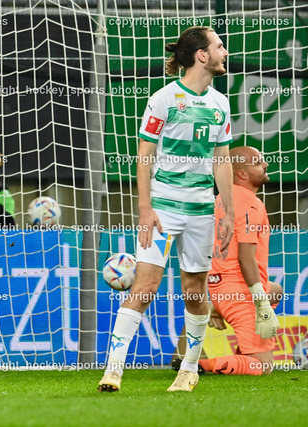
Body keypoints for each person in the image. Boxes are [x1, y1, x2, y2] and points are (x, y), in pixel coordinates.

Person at [98, 26, 235, 393]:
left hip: (203, 212)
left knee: (194, 292)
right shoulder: (164, 98)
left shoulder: (220, 102)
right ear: (202, 56)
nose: (225, 52)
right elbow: (144, 156)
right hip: (163, 209)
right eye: (219, 46)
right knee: (144, 288)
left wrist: (230, 212)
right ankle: (113, 370)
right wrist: (145, 208)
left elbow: (221, 159)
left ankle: (188, 369)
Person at [196, 146, 282, 375]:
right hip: (241, 291)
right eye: (258, 162)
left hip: (220, 286)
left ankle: (214, 310)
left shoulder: (220, 200)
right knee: (263, 368)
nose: (265, 165)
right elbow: (246, 258)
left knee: (276, 290)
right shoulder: (250, 203)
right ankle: (201, 366)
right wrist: (261, 303)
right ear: (242, 174)